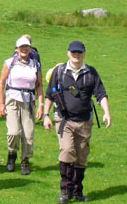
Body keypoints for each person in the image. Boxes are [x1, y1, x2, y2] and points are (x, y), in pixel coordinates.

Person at [43, 41, 112, 203]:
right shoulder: (59, 72)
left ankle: (77, 190)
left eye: (79, 52)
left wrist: (107, 112)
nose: (76, 55)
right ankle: (65, 191)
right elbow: (49, 95)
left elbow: (101, 94)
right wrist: (46, 115)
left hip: (84, 122)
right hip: (64, 120)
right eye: (73, 52)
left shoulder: (91, 73)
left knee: (81, 157)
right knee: (67, 151)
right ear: (68, 53)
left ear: (84, 54)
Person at [0, 36, 44, 175]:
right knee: (13, 132)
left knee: (28, 134)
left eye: (27, 46)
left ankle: (25, 160)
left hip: (29, 101)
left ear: (30, 48)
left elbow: (39, 85)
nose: (24, 49)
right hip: (12, 99)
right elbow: (1, 83)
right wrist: (1, 104)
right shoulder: (9, 63)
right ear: (17, 49)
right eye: (21, 47)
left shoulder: (35, 64)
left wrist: (41, 105)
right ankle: (12, 153)